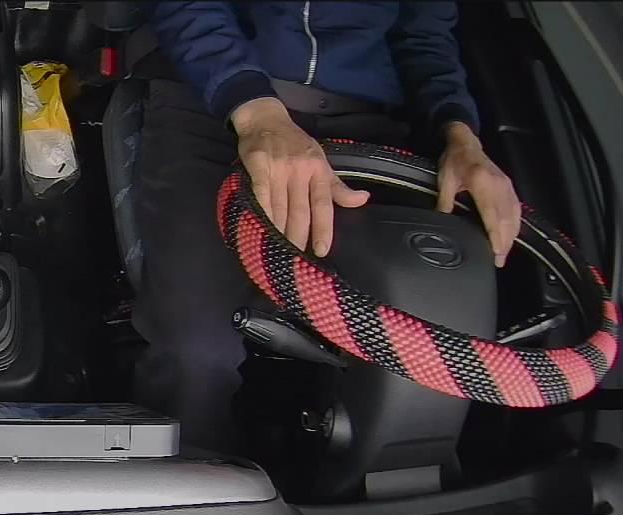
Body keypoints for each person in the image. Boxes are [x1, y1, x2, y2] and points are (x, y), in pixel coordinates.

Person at [131, 1, 522, 454]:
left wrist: (460, 136)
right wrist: (256, 112)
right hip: (212, 104)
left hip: (368, 128)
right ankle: (193, 484)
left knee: (422, 342)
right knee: (196, 350)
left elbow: (425, 38)